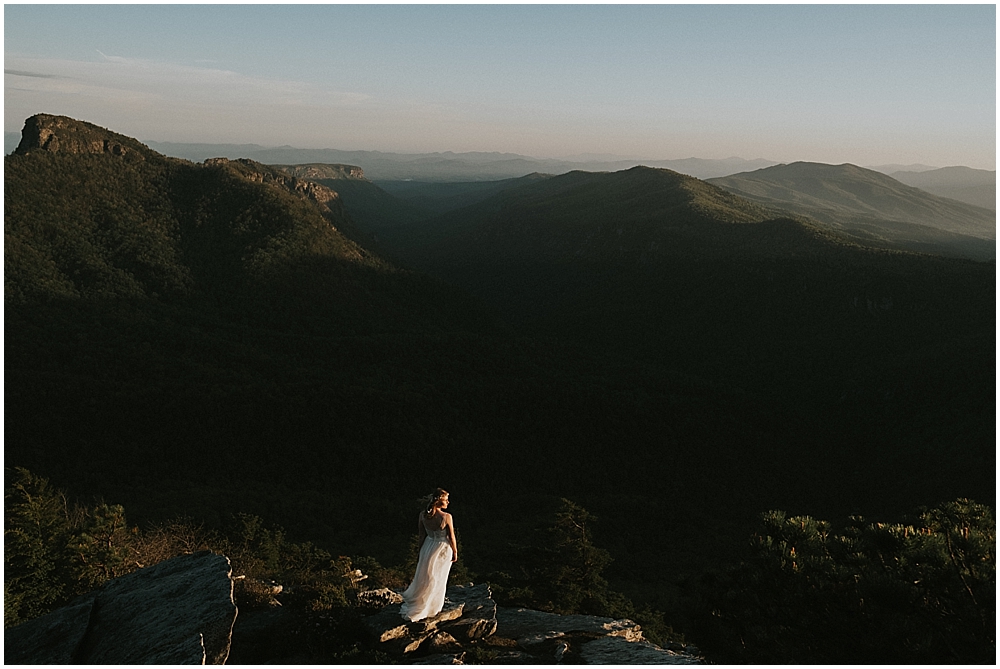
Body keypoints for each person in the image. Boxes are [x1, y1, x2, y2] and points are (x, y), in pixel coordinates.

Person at [399, 488, 458, 621]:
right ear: (439, 501)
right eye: (446, 499)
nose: (448, 502)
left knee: (427, 576)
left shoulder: (422, 515)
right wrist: (455, 551)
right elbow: (451, 536)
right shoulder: (446, 517)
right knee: (438, 577)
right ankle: (433, 606)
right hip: (442, 548)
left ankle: (422, 602)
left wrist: (421, 552)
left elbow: (421, 536)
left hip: (428, 546)